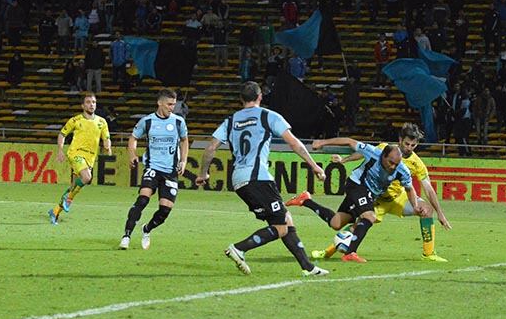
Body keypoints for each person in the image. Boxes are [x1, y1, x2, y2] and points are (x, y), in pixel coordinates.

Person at [195, 81, 328, 277]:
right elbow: (294, 143)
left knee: (286, 219)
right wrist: (314, 165)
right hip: (258, 178)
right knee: (281, 226)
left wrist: (203, 173)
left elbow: (210, 148)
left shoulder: (230, 121)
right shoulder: (268, 116)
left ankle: (308, 267)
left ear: (241, 99)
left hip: (238, 179)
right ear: (260, 97)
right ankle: (239, 248)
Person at [310, 123, 451, 262]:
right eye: (407, 144)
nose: (409, 148)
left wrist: (440, 213)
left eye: (413, 145)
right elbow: (363, 153)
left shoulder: (416, 164)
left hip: (398, 199)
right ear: (400, 140)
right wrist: (344, 160)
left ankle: (429, 253)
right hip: (376, 198)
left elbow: (427, 189)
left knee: (426, 210)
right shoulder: (384, 149)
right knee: (357, 225)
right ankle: (327, 252)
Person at [286, 137, 422, 263]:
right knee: (369, 217)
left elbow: (409, 188)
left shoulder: (401, 170)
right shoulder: (373, 152)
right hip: (356, 185)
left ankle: (305, 200)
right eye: (390, 162)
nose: (393, 167)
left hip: (370, 194)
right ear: (383, 156)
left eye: (396, 164)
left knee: (336, 223)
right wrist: (322, 143)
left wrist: (415, 206)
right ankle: (350, 253)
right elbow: (349, 141)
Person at [120, 89, 189, 250]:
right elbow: (133, 138)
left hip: (170, 172)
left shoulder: (178, 122)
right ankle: (126, 236)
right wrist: (132, 154)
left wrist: (184, 160)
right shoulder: (148, 121)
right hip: (152, 168)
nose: (172, 107)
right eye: (169, 104)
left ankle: (147, 229)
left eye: (174, 104)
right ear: (160, 103)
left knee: (165, 210)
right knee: (143, 199)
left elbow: (184, 140)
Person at [48, 92, 112, 225]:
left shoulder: (102, 122)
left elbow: (106, 138)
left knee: (75, 185)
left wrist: (107, 147)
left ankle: (55, 212)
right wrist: (60, 150)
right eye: (88, 102)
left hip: (90, 157)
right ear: (83, 105)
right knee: (87, 177)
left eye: (93, 102)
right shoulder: (75, 120)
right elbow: (62, 134)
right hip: (75, 153)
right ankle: (68, 199)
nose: (91, 105)